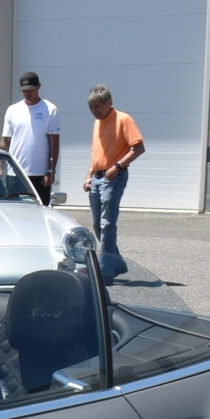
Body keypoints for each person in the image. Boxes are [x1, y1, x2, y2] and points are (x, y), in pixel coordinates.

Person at [83, 85, 145, 279]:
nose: (94, 111)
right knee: (97, 224)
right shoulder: (97, 123)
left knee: (107, 224)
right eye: (91, 108)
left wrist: (117, 167)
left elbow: (139, 148)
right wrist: (89, 176)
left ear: (109, 103)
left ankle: (105, 271)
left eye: (98, 107)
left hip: (114, 176)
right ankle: (116, 263)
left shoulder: (123, 120)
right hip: (97, 176)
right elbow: (96, 153)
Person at [0, 71, 59, 204]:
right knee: (15, 210)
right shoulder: (12, 110)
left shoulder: (50, 109)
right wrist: (1, 166)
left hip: (40, 174)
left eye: (31, 90)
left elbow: (54, 143)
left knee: (40, 210)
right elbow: (5, 141)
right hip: (15, 173)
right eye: (24, 90)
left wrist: (51, 170)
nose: (27, 93)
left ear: (39, 87)